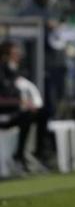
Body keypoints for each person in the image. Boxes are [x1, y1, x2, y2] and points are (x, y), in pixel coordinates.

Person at [0, 40, 52, 174]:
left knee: (43, 112)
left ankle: (39, 154)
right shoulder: (2, 73)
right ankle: (19, 155)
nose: (18, 55)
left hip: (16, 112)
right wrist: (21, 103)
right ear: (5, 55)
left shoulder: (16, 71)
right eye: (15, 53)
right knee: (27, 116)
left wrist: (27, 103)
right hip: (5, 115)